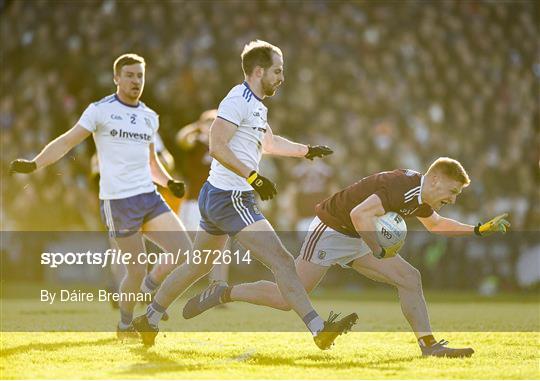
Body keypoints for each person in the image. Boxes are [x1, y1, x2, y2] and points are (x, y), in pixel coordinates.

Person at [133, 40, 358, 350]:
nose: (282, 77)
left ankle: (149, 318)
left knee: (197, 265)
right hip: (231, 197)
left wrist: (306, 151)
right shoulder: (236, 100)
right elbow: (216, 144)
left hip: (219, 195)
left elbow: (270, 143)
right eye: (277, 71)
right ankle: (319, 329)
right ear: (258, 71)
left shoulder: (256, 105)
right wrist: (252, 176)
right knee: (281, 260)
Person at [183, 157, 510, 357]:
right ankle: (223, 292)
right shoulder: (404, 188)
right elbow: (358, 214)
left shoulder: (423, 195)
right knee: (288, 298)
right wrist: (378, 249)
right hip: (332, 229)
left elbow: (437, 225)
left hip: (358, 234)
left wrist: (478, 229)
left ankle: (429, 345)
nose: (452, 199)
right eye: (452, 191)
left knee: (410, 278)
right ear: (436, 179)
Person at [9, 53, 192, 339]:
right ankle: (125, 324)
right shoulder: (100, 111)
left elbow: (151, 163)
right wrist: (35, 163)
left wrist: (169, 181)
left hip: (149, 196)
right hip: (118, 202)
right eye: (130, 75)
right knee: (134, 270)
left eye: (140, 76)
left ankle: (148, 291)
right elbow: (67, 141)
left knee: (184, 251)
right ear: (116, 78)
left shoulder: (148, 117)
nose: (136, 81)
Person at [176, 109, 229, 287]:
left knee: (221, 247)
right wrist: (197, 128)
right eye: (209, 122)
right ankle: (171, 283)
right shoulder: (195, 143)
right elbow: (181, 139)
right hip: (194, 202)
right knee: (187, 248)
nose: (212, 126)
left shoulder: (222, 145)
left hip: (217, 201)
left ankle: (218, 285)